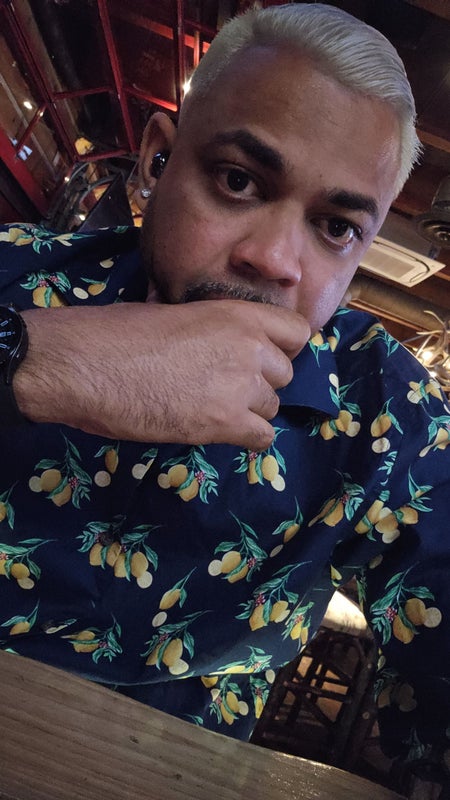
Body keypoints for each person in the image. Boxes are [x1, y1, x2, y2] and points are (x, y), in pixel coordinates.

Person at [0, 1, 448, 789]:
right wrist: (30, 357)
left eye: (335, 228)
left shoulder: (386, 413)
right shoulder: (17, 275)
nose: (274, 259)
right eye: (238, 181)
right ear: (156, 162)